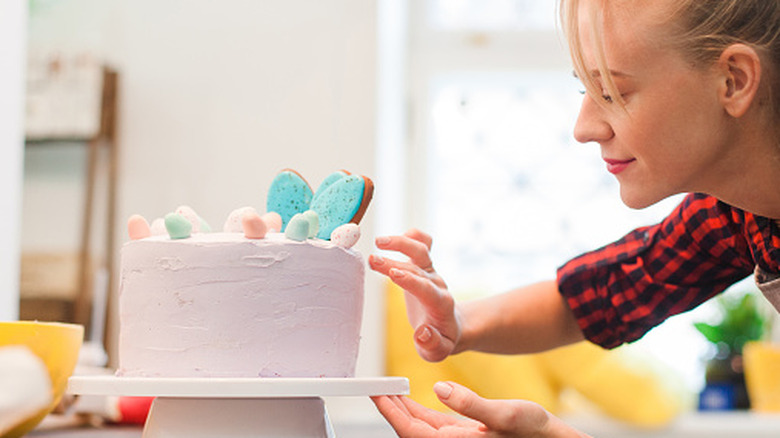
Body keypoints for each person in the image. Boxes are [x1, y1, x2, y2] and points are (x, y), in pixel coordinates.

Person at [369, 0, 780, 436]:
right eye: (584, 90)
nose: (584, 128)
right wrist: (459, 324)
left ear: (733, 80)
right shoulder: (735, 218)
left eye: (612, 93)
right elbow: (600, 294)